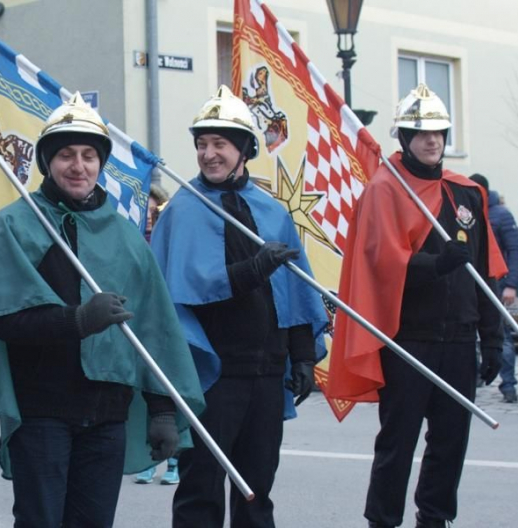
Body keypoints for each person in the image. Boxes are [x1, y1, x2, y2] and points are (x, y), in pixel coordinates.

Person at [0, 93, 204, 528]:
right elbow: (6, 321)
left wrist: (162, 410)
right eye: (66, 154)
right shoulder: (14, 225)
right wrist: (78, 320)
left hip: (107, 412)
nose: (78, 165)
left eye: (89, 155)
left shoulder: (124, 235)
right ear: (47, 161)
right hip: (42, 409)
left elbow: (154, 328)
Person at [325, 84, 507, 528]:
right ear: (404, 138)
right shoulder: (386, 189)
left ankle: (435, 518)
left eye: (439, 133)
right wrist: (434, 264)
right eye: (421, 133)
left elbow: (484, 271)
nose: (432, 141)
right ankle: (383, 520)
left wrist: (493, 337)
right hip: (407, 339)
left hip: (460, 339)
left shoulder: (466, 194)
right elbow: (380, 261)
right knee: (398, 441)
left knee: (450, 442)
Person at [151, 86, 328, 528]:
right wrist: (253, 268)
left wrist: (303, 355)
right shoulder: (183, 210)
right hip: (213, 374)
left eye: (220, 144)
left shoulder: (272, 210)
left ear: (245, 150)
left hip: (267, 372)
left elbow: (295, 287)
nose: (209, 154)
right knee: (201, 490)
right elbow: (185, 291)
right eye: (202, 144)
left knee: (257, 491)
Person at [136, 182, 180, 486]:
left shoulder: (170, 238)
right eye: (145, 210)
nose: (149, 215)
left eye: (155, 209)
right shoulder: (134, 238)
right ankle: (148, 460)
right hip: (141, 324)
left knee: (172, 395)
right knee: (144, 396)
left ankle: (175, 461)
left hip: (171, 324)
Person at [469, 173, 518, 403]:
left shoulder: (500, 214)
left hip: (497, 282)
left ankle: (508, 385)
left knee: (503, 337)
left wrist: (511, 285)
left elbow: (514, 250)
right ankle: (475, 377)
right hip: (471, 282)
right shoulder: (466, 212)